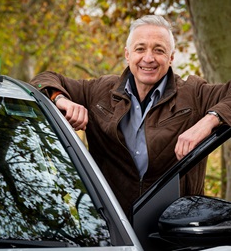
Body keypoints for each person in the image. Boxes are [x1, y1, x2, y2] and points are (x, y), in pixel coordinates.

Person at [30, 15, 231, 215]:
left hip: (174, 229)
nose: (149, 58)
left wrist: (208, 121)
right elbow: (43, 80)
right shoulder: (99, 91)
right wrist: (61, 99)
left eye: (159, 50)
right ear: (127, 54)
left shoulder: (193, 93)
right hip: (111, 227)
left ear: (171, 58)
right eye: (140, 49)